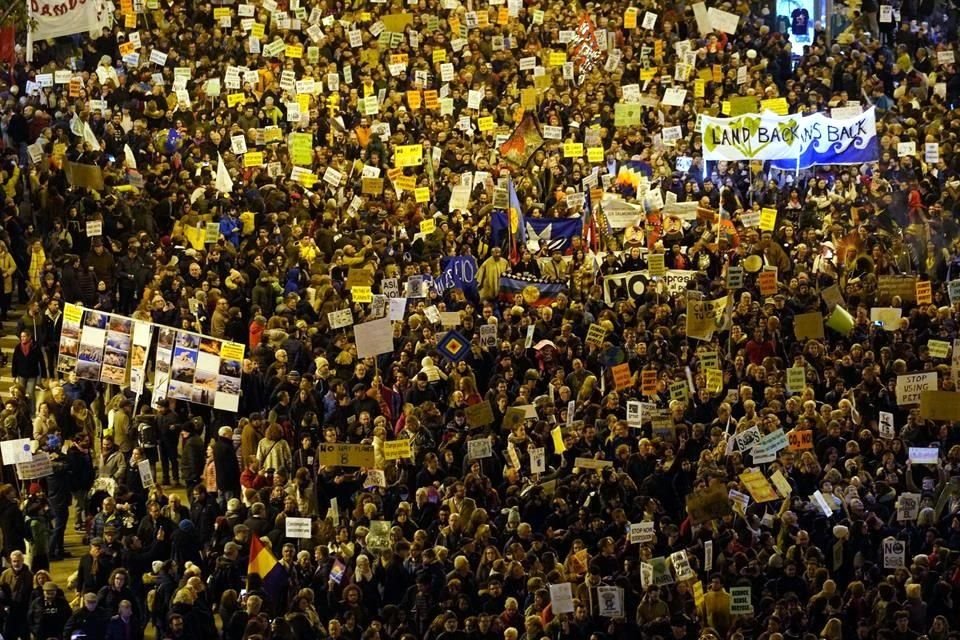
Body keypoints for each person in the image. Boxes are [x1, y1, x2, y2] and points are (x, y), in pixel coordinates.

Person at [0, 550, 33, 640]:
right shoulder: (5, 574)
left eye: (18, 561)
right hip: (10, 611)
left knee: (25, 635)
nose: (16, 563)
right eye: (14, 561)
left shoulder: (29, 575)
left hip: (24, 611)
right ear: (11, 561)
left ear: (22, 560)